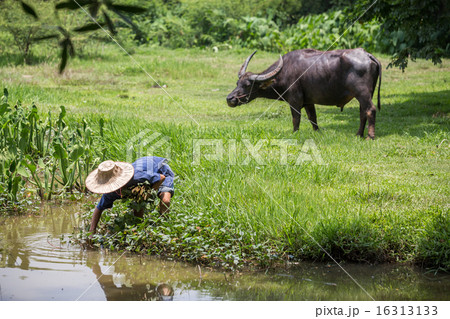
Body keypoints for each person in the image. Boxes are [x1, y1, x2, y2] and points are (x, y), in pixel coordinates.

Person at [85, 156, 174, 234]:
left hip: (160, 170)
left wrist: (149, 193)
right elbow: (99, 208)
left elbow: (161, 177)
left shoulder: (137, 176)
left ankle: (165, 227)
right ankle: (140, 230)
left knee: (165, 201)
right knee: (138, 206)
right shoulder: (111, 192)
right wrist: (92, 231)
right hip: (145, 173)